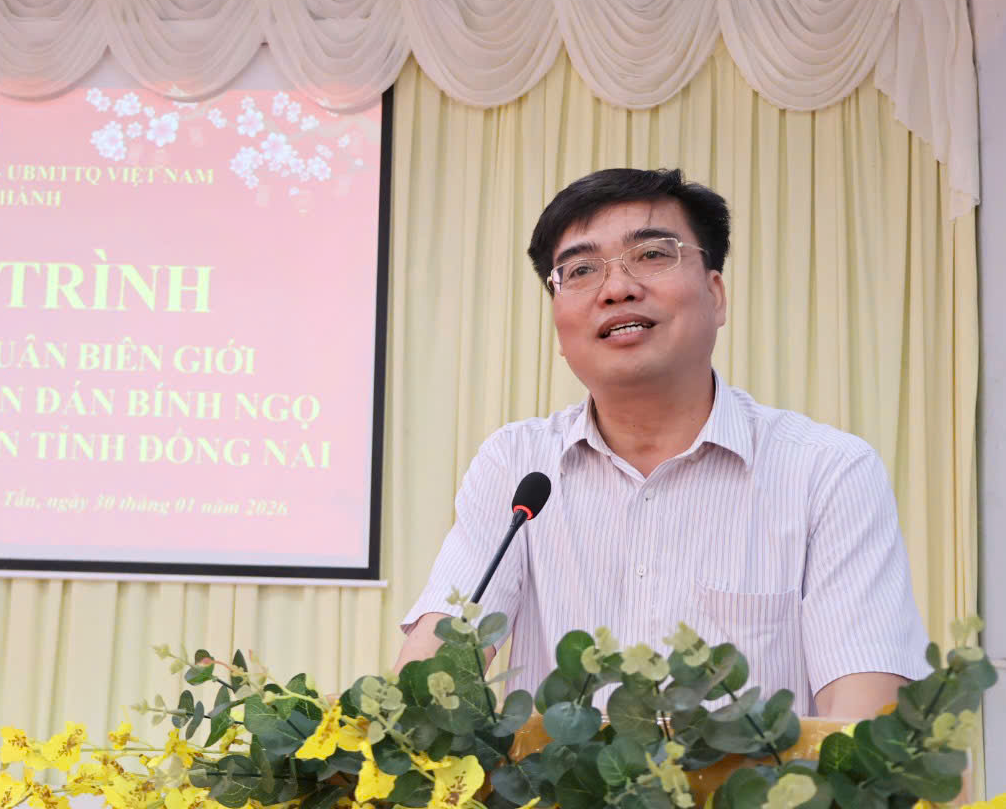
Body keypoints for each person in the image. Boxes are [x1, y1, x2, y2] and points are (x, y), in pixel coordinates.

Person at [395, 168, 928, 718]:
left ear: (715, 295)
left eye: (651, 255)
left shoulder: (828, 471)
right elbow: (435, 669)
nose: (617, 289)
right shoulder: (516, 465)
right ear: (558, 327)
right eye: (580, 270)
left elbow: (865, 717)